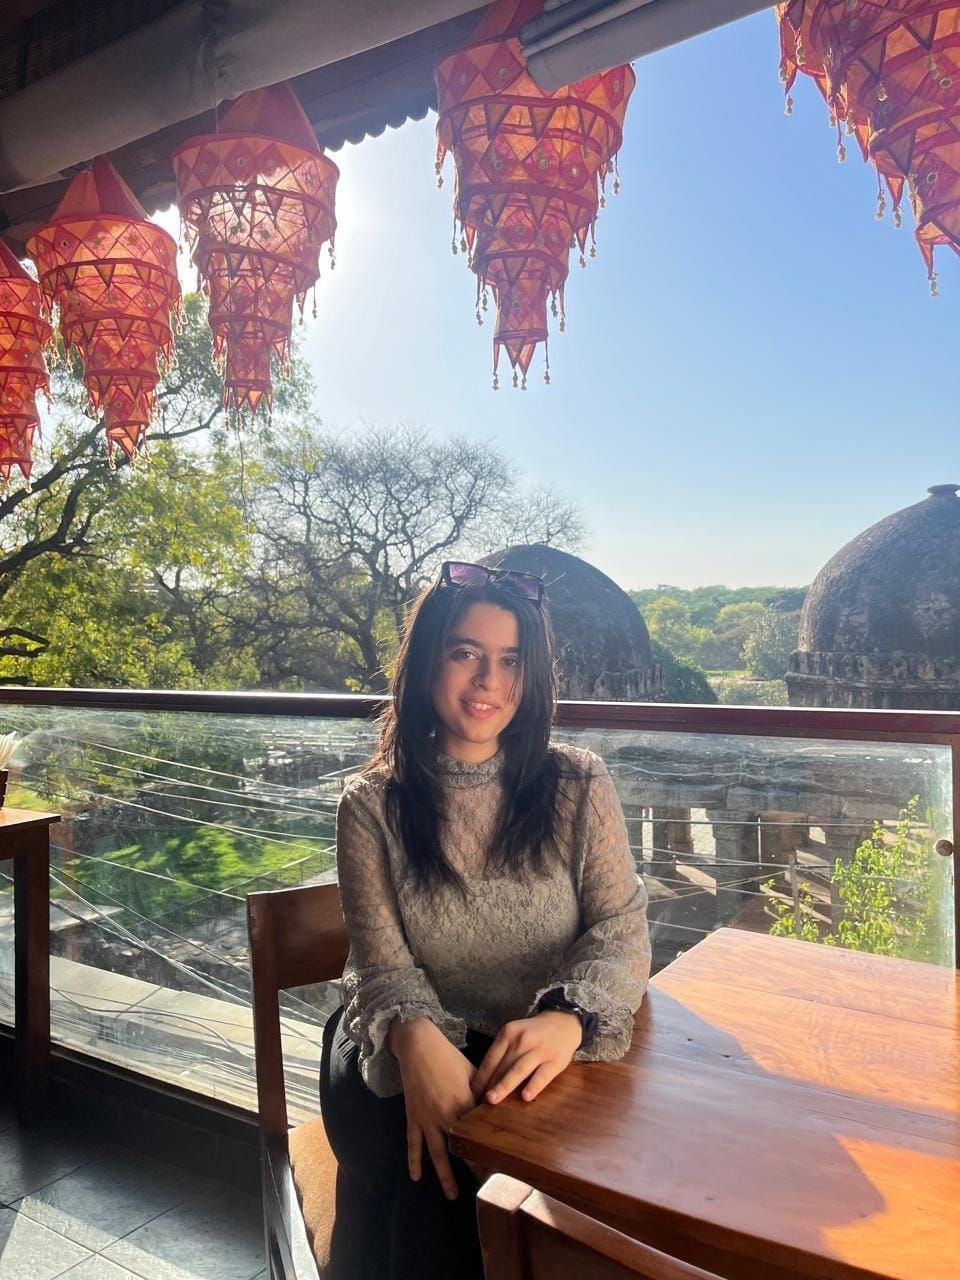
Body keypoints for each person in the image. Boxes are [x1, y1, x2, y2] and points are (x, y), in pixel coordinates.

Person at [319, 559, 651, 1280]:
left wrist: (569, 1016)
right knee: (440, 1164)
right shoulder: (371, 805)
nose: (488, 682)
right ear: (427, 663)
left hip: (534, 1052)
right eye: (465, 653)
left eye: (509, 661)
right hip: (393, 1036)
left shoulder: (576, 783)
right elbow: (381, 967)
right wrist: (415, 1039)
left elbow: (621, 926)